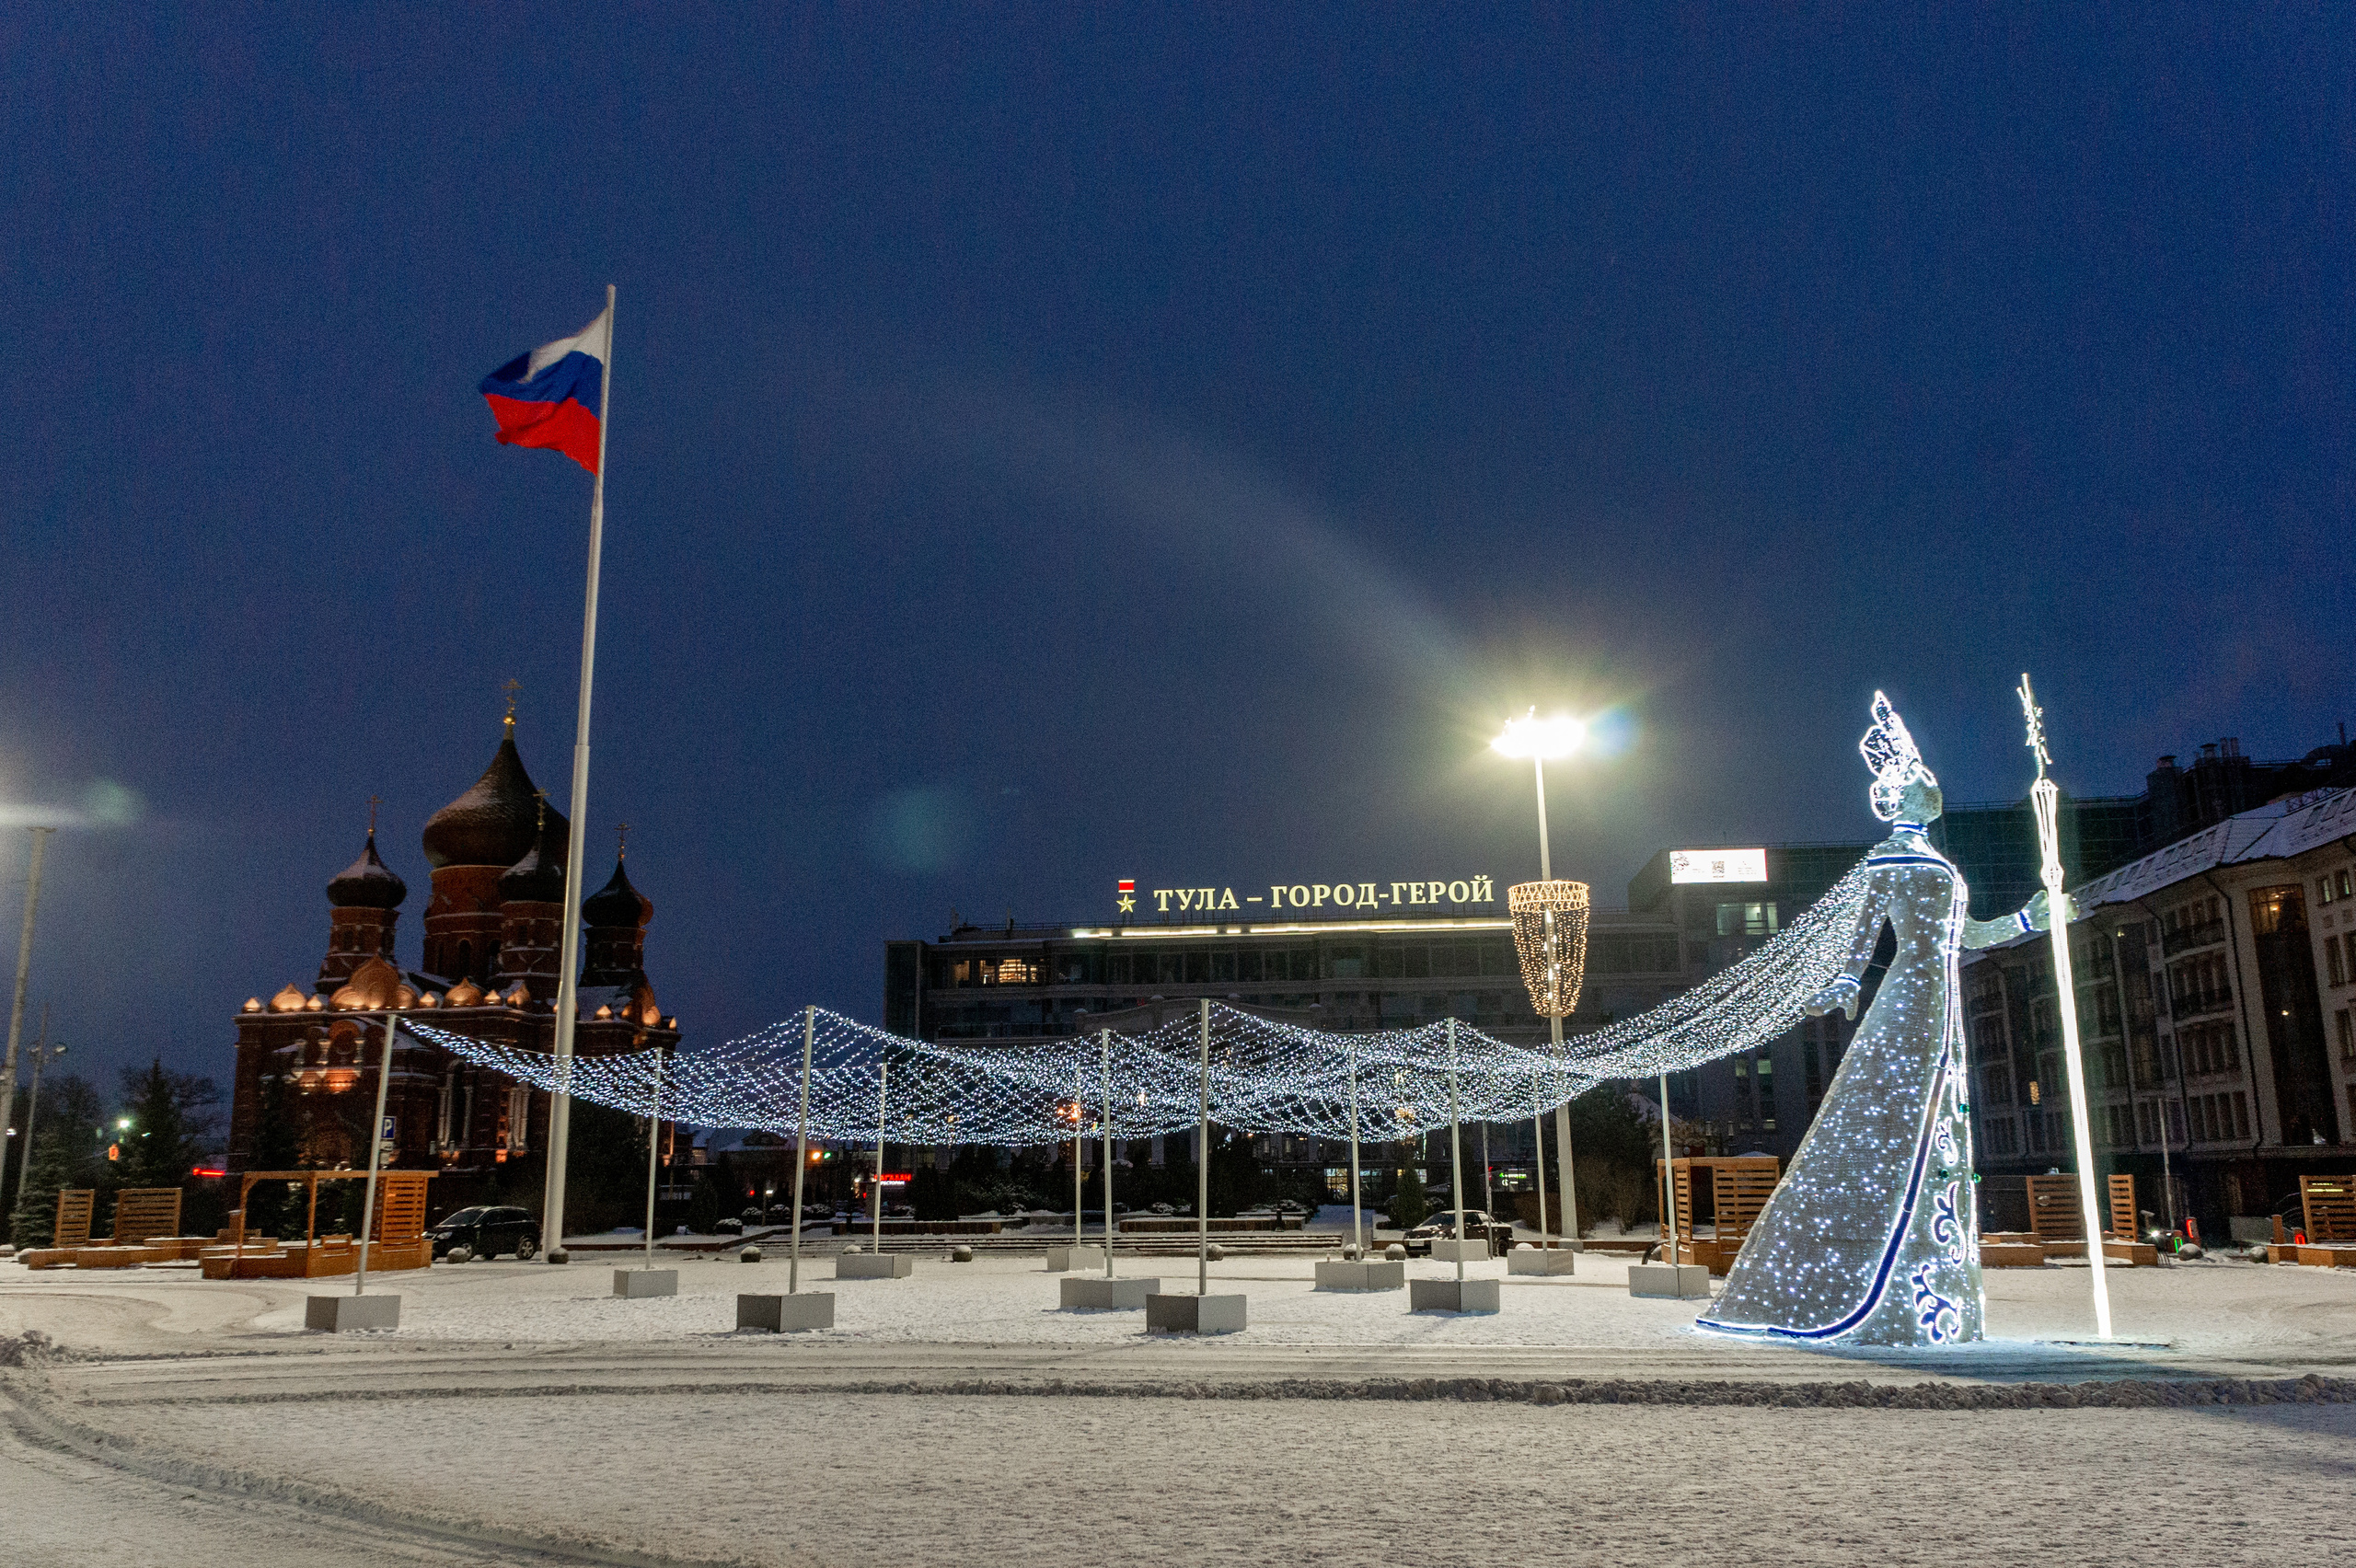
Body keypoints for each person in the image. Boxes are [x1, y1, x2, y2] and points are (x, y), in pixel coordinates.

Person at [1695, 692, 2052, 1345]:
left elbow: (1968, 934)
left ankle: (1927, 1281)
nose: (1930, 787)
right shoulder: (1887, 861)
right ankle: (1867, 1275)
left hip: (1943, 999)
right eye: (1918, 781)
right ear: (1895, 794)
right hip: (1910, 995)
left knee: (1935, 1117)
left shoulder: (1945, 865)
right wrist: (1841, 983)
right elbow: (1863, 938)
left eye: (1930, 780)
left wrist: (2031, 919)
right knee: (1891, 1113)